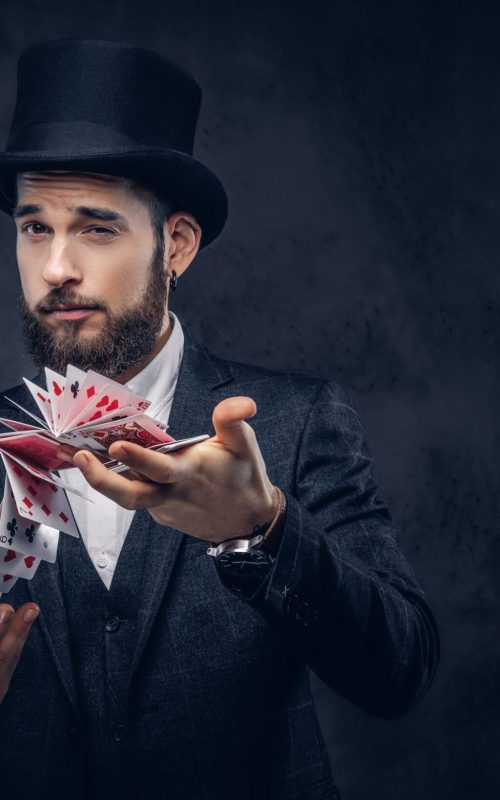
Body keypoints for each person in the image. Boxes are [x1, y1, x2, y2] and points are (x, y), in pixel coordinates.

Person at [0, 39, 439, 800]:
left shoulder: (299, 421)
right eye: (36, 227)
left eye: (96, 228)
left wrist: (264, 528)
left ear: (176, 244)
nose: (56, 267)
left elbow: (399, 672)